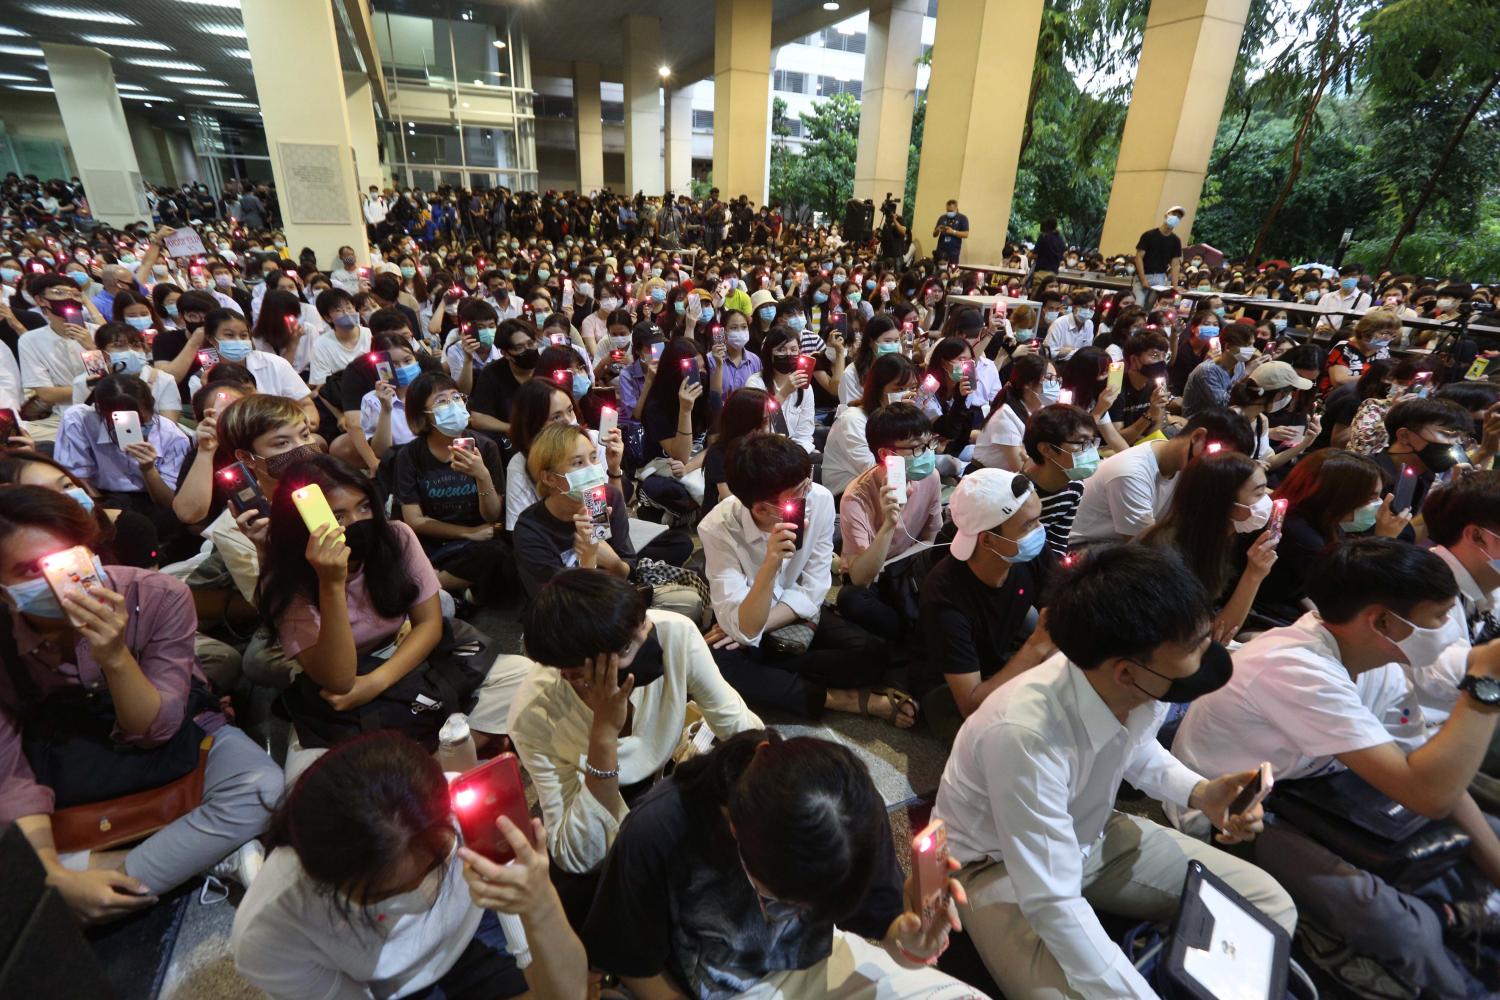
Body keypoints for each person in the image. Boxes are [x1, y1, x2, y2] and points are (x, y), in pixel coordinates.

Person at [934, 544, 1296, 998]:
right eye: (1192, 647)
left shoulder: (1137, 682)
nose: (1207, 653)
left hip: (1092, 832)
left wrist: (1202, 793)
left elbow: (1136, 751)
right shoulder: (1024, 733)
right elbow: (1053, 900)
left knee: (1269, 906)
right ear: (1126, 672)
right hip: (996, 865)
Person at [1170, 539, 1500, 998]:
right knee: (1399, 927)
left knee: (1485, 832)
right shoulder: (1295, 669)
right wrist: (1484, 682)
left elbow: (1425, 768)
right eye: (1439, 617)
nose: (1448, 630)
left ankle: (1462, 914)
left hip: (1311, 783)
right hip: (1233, 814)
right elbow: (1430, 793)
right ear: (1382, 621)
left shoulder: (1374, 658)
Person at [1, 486, 282, 922]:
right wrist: (50, 871)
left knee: (263, 789)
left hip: (157, 739)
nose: (57, 584)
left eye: (68, 559)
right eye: (30, 571)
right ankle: (184, 859)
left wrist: (114, 658)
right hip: (62, 761)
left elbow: (158, 729)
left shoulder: (155, 595)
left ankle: (78, 893)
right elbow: (10, 777)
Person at [583, 729, 977, 999]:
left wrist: (908, 937)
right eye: (778, 901)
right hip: (723, 985)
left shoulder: (851, 814)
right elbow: (633, 963)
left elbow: (882, 922)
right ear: (736, 830)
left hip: (823, 959)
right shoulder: (658, 830)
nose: (795, 912)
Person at [232, 732, 587, 1000]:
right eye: (391, 894)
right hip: (391, 988)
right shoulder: (270, 932)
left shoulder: (466, 811)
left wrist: (540, 903)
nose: (426, 892)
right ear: (322, 880)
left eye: (437, 862)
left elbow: (566, 994)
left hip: (476, 930)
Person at [508, 570, 760, 887]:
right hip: (599, 791)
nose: (648, 636)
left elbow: (737, 724)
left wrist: (771, 770)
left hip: (668, 779)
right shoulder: (534, 716)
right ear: (576, 674)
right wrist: (603, 733)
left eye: (643, 623)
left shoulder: (673, 632)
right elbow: (578, 854)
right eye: (629, 646)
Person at [255, 454, 450, 778]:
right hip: (334, 680)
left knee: (517, 683)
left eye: (363, 507)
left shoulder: (396, 536)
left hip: (397, 654)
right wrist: (331, 583)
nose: (357, 522)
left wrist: (375, 682)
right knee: (312, 787)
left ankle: (423, 772)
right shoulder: (285, 580)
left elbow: (429, 624)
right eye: (337, 516)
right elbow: (340, 680)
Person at [698, 433, 910, 726]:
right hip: (755, 614)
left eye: (808, 481)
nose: (808, 493)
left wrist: (753, 630)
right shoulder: (717, 528)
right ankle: (838, 699)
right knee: (718, 663)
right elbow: (745, 624)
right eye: (799, 492)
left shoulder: (819, 500)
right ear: (760, 508)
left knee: (871, 654)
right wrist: (770, 565)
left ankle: (779, 677)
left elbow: (814, 589)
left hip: (791, 614)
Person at [917, 469, 1058, 744]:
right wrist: (1038, 645)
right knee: (1000, 742)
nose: (1039, 532)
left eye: (1038, 520)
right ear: (988, 539)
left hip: (1002, 660)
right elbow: (971, 703)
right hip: (950, 687)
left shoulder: (1029, 552)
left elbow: (1064, 606)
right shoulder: (945, 599)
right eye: (1029, 525)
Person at [1137, 452, 1280, 643]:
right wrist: (1253, 575)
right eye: (1259, 493)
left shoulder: (1219, 536)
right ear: (1224, 501)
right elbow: (1210, 638)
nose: (1268, 499)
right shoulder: (1167, 553)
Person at [1253, 449, 1408, 623]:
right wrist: (1384, 542)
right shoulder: (1300, 535)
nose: (1377, 505)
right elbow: (1350, 597)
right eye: (1371, 497)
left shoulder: (1322, 521)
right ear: (1339, 497)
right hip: (1260, 614)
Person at [393, 372, 508, 601]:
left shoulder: (486, 447)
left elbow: (493, 514)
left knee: (502, 553)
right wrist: (467, 533)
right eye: (442, 401)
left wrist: (482, 476)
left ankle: (429, 588)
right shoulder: (409, 455)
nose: (453, 405)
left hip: (478, 542)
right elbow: (414, 520)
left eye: (456, 397)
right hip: (435, 540)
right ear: (422, 416)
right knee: (397, 551)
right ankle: (457, 590)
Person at [834, 404, 944, 641]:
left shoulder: (930, 477)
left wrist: (900, 564)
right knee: (851, 599)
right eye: (916, 448)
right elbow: (861, 578)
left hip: (910, 565)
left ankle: (915, 628)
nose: (926, 454)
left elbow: (932, 539)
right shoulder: (856, 497)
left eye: (929, 444)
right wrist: (889, 525)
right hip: (875, 575)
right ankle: (911, 632)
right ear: (886, 454)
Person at [1070, 406, 1255, 546]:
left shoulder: (1178, 463)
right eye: (1218, 458)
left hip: (1123, 543)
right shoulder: (1131, 472)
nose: (1218, 469)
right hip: (1087, 547)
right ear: (1198, 437)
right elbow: (1144, 547)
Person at [512, 422, 636, 601]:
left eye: (593, 458)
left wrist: (615, 564)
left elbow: (629, 570)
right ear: (549, 478)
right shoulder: (530, 530)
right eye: (578, 462)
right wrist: (588, 560)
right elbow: (562, 609)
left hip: (616, 598)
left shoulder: (606, 498)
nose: (592, 468)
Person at [1019, 403, 1098, 555]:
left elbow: (1058, 541)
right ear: (1047, 450)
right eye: (1082, 443)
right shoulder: (1020, 495)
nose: (1092, 451)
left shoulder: (1075, 485)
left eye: (1092, 442)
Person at [1181, 320, 1255, 418]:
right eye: (1246, 345)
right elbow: (1223, 405)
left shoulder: (1239, 364)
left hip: (1221, 418)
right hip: (1197, 420)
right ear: (1228, 347)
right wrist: (1246, 374)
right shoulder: (1207, 371)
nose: (1252, 349)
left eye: (1252, 344)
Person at [1319, 308, 1399, 393]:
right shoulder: (1344, 347)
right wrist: (1373, 377)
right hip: (1340, 396)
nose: (1388, 338)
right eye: (1385, 333)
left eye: (1393, 335)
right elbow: (1339, 381)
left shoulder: (1382, 350)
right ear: (1367, 331)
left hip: (1369, 395)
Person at [1132, 206, 1185, 305]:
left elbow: (1175, 264)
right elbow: (1139, 257)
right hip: (1142, 276)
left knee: (1151, 307)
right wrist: (1143, 279)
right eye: (1174, 215)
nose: (1175, 218)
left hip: (1160, 278)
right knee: (1138, 305)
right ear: (1166, 215)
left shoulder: (1175, 241)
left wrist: (1175, 286)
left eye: (1178, 217)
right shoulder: (1148, 235)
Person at [1042, 290, 1096, 360]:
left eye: (1091, 308)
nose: (1087, 310)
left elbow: (1086, 353)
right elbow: (1047, 352)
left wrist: (1069, 351)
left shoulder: (1089, 324)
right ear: (1074, 307)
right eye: (1084, 307)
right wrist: (1075, 352)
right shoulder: (1059, 323)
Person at [931, 199, 969, 265]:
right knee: (938, 272)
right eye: (947, 211)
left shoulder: (963, 218)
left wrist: (953, 232)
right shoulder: (942, 218)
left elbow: (966, 234)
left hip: (953, 253)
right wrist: (937, 230)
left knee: (951, 273)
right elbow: (934, 235)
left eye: (951, 211)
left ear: (957, 209)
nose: (949, 213)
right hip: (940, 251)